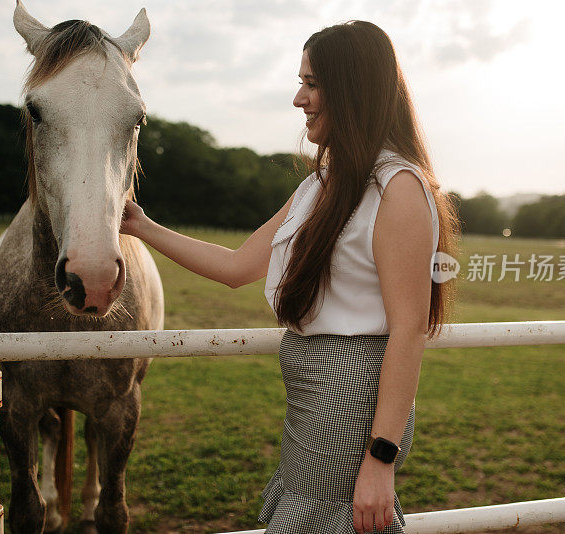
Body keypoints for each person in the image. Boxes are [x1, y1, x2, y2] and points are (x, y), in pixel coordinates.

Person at [121, 20, 459, 534]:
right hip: (311, 392)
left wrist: (381, 461)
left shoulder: (399, 187)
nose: (299, 98)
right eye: (301, 81)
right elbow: (238, 266)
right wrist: (142, 227)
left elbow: (408, 329)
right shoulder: (323, 183)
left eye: (313, 83)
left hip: (350, 397)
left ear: (353, 90)